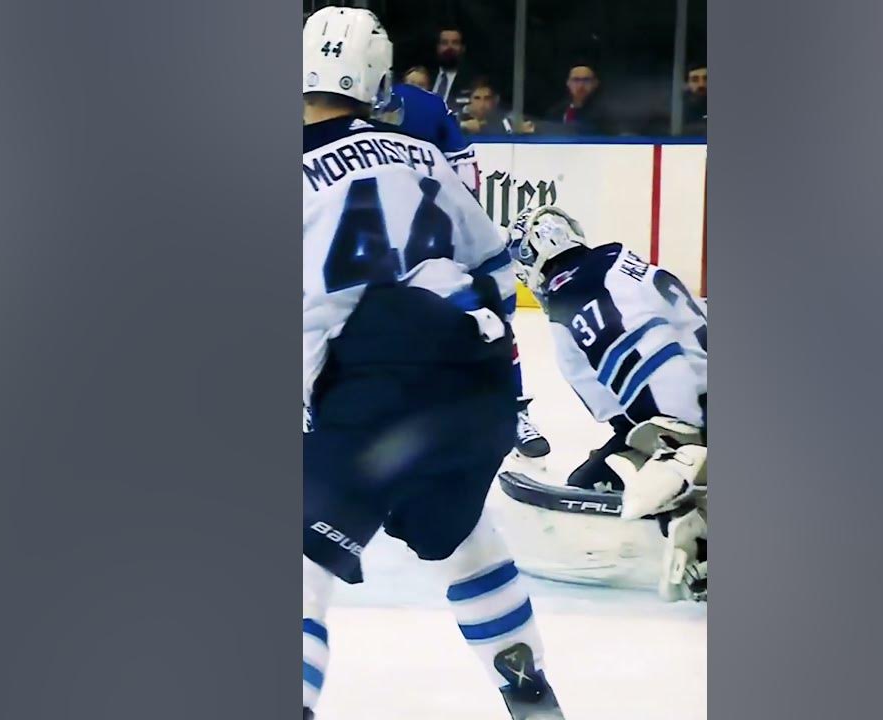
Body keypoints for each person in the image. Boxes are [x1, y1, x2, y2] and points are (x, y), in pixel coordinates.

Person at [301, 9, 565, 719]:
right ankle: (531, 695)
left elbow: (310, 306)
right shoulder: (419, 150)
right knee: (465, 539)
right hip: (470, 375)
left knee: (300, 567)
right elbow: (497, 265)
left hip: (379, 382)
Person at [505, 205, 709, 602]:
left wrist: (671, 437)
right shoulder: (623, 262)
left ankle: (699, 538)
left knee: (610, 483)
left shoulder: (570, 298)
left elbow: (641, 376)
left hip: (684, 414)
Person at [375, 77, 552, 460]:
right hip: (363, 242)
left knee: (486, 316)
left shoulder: (423, 108)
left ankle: (511, 406)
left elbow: (463, 176)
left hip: (426, 240)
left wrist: (456, 230)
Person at [543, 64, 616, 136]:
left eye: (586, 80)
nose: (581, 86)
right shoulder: (556, 112)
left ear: (595, 83)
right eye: (576, 80)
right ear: (568, 83)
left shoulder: (606, 115)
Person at [429, 25, 479, 115]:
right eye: (444, 43)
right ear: (437, 48)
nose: (449, 47)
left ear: (463, 48)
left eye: (455, 43)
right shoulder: (426, 77)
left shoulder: (473, 82)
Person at [461, 78, 536, 136]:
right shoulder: (458, 118)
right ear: (470, 99)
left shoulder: (509, 120)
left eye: (487, 98)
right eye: (477, 98)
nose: (482, 104)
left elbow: (536, 125)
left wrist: (524, 129)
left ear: (496, 100)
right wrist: (461, 126)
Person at [683, 63, 707, 135]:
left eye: (706, 79)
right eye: (695, 80)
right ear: (686, 84)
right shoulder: (678, 109)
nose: (701, 84)